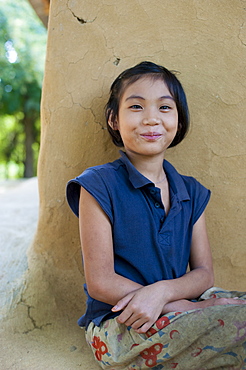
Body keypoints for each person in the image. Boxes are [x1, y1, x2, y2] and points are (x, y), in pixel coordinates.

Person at [66, 61, 246, 370]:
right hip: (121, 322)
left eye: (165, 108)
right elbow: (100, 282)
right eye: (136, 106)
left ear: (178, 119)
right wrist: (181, 307)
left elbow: (203, 275)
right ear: (114, 119)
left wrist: (165, 294)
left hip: (179, 307)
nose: (151, 119)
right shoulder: (98, 185)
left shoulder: (190, 191)